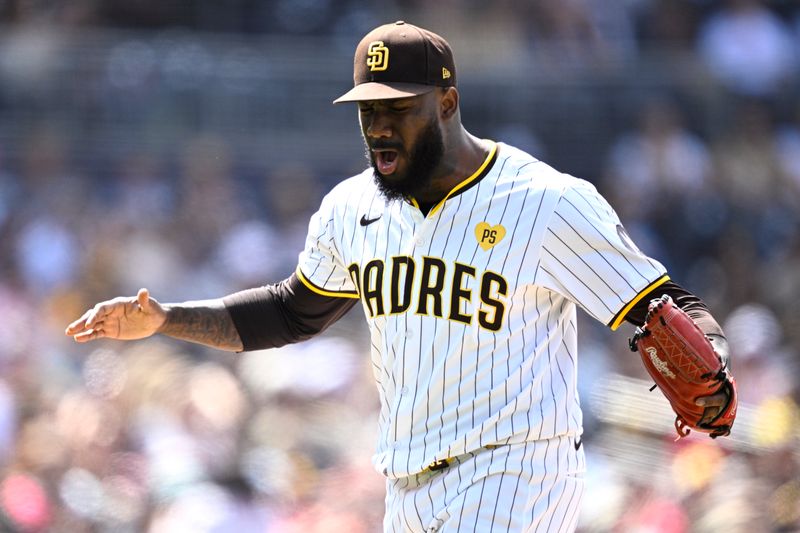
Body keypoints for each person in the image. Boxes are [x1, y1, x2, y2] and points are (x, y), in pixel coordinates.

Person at [66, 21, 734, 532]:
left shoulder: (545, 201)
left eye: (398, 108)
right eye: (368, 110)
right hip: (407, 482)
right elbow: (292, 310)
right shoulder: (350, 208)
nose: (380, 127)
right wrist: (166, 318)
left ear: (446, 101)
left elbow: (660, 301)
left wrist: (713, 354)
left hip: (517, 469)